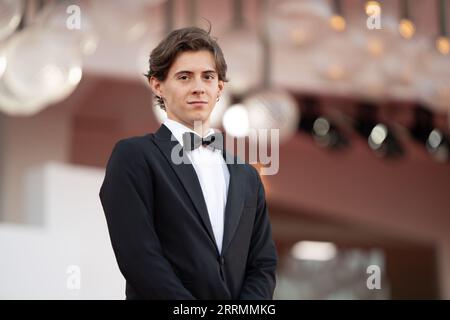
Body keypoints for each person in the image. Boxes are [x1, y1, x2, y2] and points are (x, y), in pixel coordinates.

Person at [99, 26, 277, 300]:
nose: (198, 87)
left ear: (219, 88)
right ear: (157, 85)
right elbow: (139, 257)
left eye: (207, 77)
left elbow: (262, 265)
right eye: (184, 77)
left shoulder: (247, 175)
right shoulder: (133, 156)